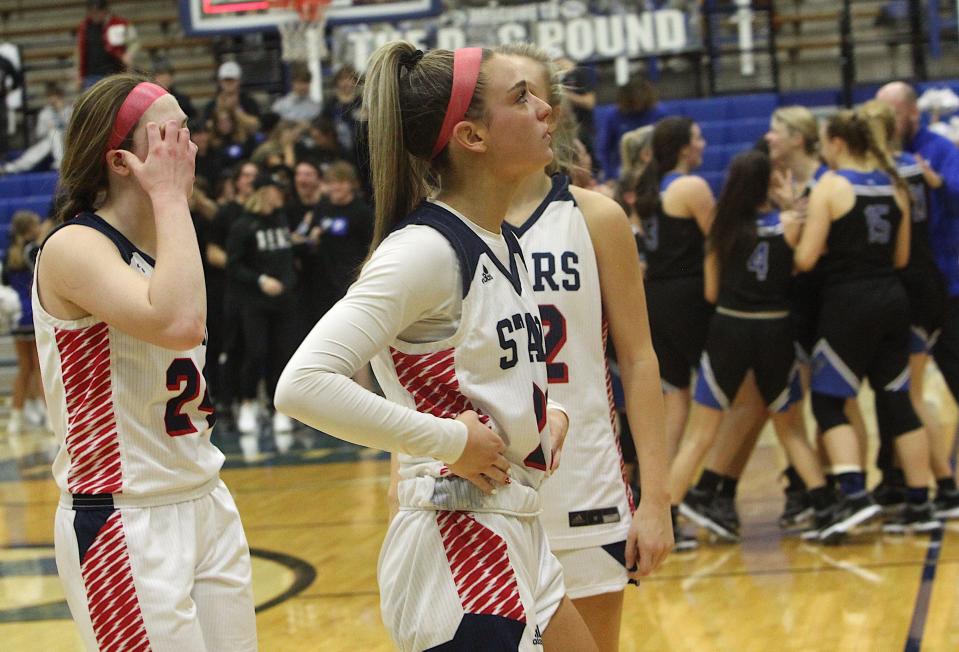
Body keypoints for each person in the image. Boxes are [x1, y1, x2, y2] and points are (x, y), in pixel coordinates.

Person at [275, 43, 598, 651]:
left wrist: (537, 422)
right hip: (458, 543)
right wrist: (451, 440)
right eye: (520, 97)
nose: (544, 109)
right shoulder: (423, 250)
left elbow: (474, 375)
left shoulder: (501, 240)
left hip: (514, 526)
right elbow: (302, 385)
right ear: (472, 137)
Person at [34, 75, 256, 650]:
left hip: (204, 495)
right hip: (124, 517)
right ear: (122, 160)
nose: (190, 149)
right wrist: (168, 198)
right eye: (171, 135)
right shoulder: (73, 248)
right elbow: (179, 322)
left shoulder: (169, 239)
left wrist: (170, 208)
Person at [497, 44, 672, 652]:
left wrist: (657, 500)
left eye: (541, 96)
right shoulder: (442, 226)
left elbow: (641, 358)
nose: (539, 110)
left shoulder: (595, 216)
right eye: (519, 96)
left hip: (585, 487)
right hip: (483, 491)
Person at [670, 150, 847, 543]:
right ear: (769, 183)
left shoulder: (720, 229)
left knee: (700, 435)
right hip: (775, 330)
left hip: (729, 328)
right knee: (790, 429)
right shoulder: (788, 224)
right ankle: (824, 509)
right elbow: (802, 264)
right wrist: (788, 205)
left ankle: (668, 519)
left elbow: (712, 292)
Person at [794, 110, 940, 535]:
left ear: (838, 142)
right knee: (896, 400)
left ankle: (854, 494)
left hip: (848, 301)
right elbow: (900, 258)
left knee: (828, 402)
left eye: (824, 140)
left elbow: (804, 259)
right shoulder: (895, 184)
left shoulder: (831, 185)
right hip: (893, 297)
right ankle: (920, 501)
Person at [860, 99, 959, 522]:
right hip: (926, 279)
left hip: (910, 285)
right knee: (904, 392)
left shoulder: (884, 175)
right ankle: (918, 480)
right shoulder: (915, 167)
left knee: (911, 394)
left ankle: (943, 484)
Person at [633, 116, 714, 548]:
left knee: (676, 400)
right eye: (698, 136)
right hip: (691, 296)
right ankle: (701, 493)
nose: (703, 142)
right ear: (684, 147)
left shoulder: (651, 189)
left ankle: (659, 501)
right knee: (715, 400)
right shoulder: (690, 187)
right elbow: (723, 239)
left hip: (658, 298)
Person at [227, 170, 299, 439]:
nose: (280, 194)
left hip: (285, 300)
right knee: (255, 352)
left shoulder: (282, 219)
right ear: (264, 193)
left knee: (283, 354)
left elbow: (287, 256)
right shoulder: (243, 225)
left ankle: (278, 407)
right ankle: (247, 404)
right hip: (254, 301)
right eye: (275, 190)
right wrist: (260, 280)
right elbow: (234, 265)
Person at [3, 211, 45, 434]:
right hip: (32, 313)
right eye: (37, 224)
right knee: (40, 368)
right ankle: (50, 419)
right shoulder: (33, 251)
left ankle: (15, 418)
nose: (40, 226)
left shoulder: (9, 254)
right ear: (29, 229)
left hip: (17, 315)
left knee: (24, 368)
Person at [75, 0, 138, 90]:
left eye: (97, 12)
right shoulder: (84, 27)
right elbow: (80, 51)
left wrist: (129, 54)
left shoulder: (119, 23)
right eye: (92, 12)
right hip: (91, 75)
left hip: (115, 73)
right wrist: (79, 73)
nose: (95, 15)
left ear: (105, 10)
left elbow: (134, 42)